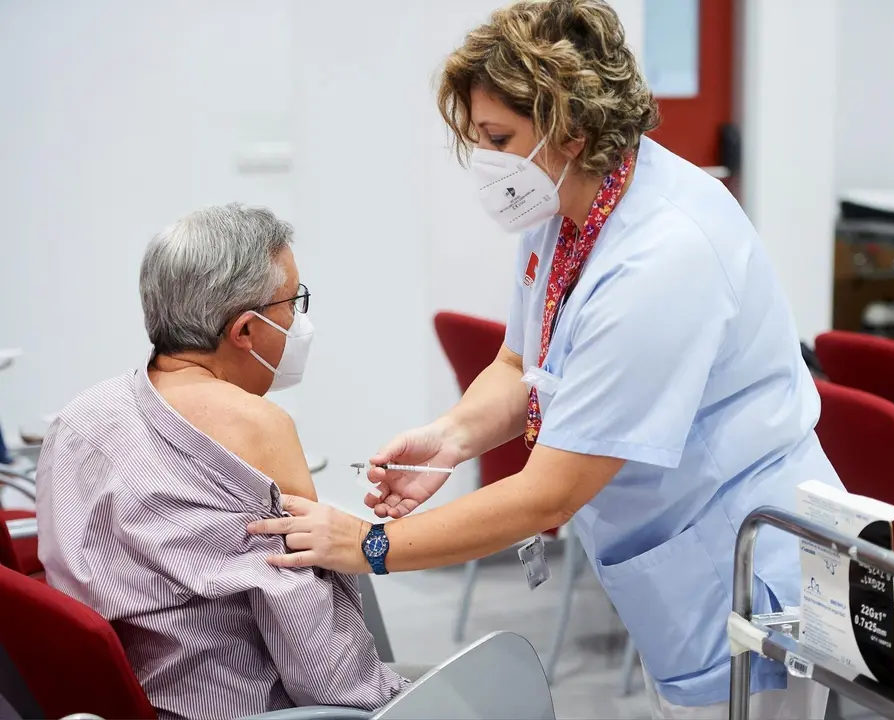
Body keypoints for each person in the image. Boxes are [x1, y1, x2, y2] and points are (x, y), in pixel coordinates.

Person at [249, 1, 839, 717]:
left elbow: (548, 493)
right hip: (677, 554)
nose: (488, 162)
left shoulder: (662, 258)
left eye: (499, 137)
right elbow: (518, 364)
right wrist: (453, 437)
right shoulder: (565, 211)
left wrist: (371, 545)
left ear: (571, 128)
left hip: (746, 560)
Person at [35, 204, 407, 720]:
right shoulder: (256, 426)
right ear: (245, 331)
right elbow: (327, 674)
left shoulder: (80, 418)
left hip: (121, 702)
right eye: (293, 302)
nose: (300, 320)